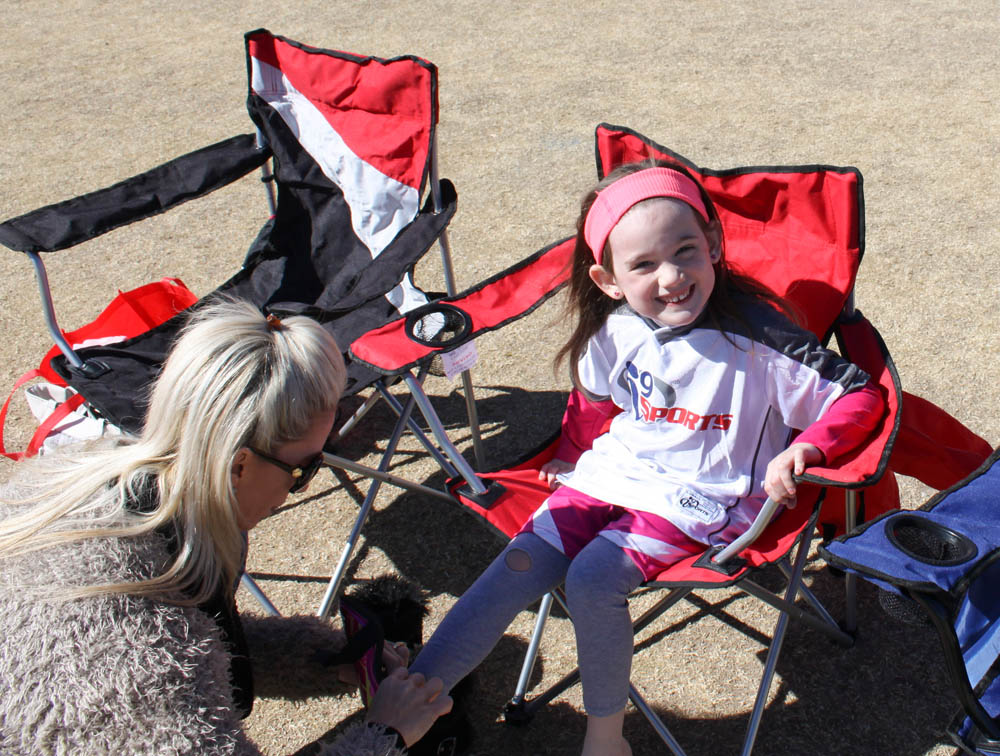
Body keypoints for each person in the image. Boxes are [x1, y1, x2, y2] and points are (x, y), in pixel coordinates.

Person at [409, 159, 884, 755]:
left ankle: (606, 740)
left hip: (702, 497)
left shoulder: (762, 338)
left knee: (592, 579)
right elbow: (591, 398)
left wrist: (807, 446)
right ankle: (402, 712)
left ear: (713, 244)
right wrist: (572, 452)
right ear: (608, 279)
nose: (672, 277)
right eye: (644, 265)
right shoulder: (615, 328)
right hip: (613, 474)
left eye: (685, 252)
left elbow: (860, 396)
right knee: (518, 564)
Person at [0, 298, 451, 755]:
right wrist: (387, 733)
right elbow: (165, 674)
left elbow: (200, 647)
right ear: (239, 465)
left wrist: (332, 659)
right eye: (305, 468)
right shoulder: (126, 633)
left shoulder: (108, 488)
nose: (295, 489)